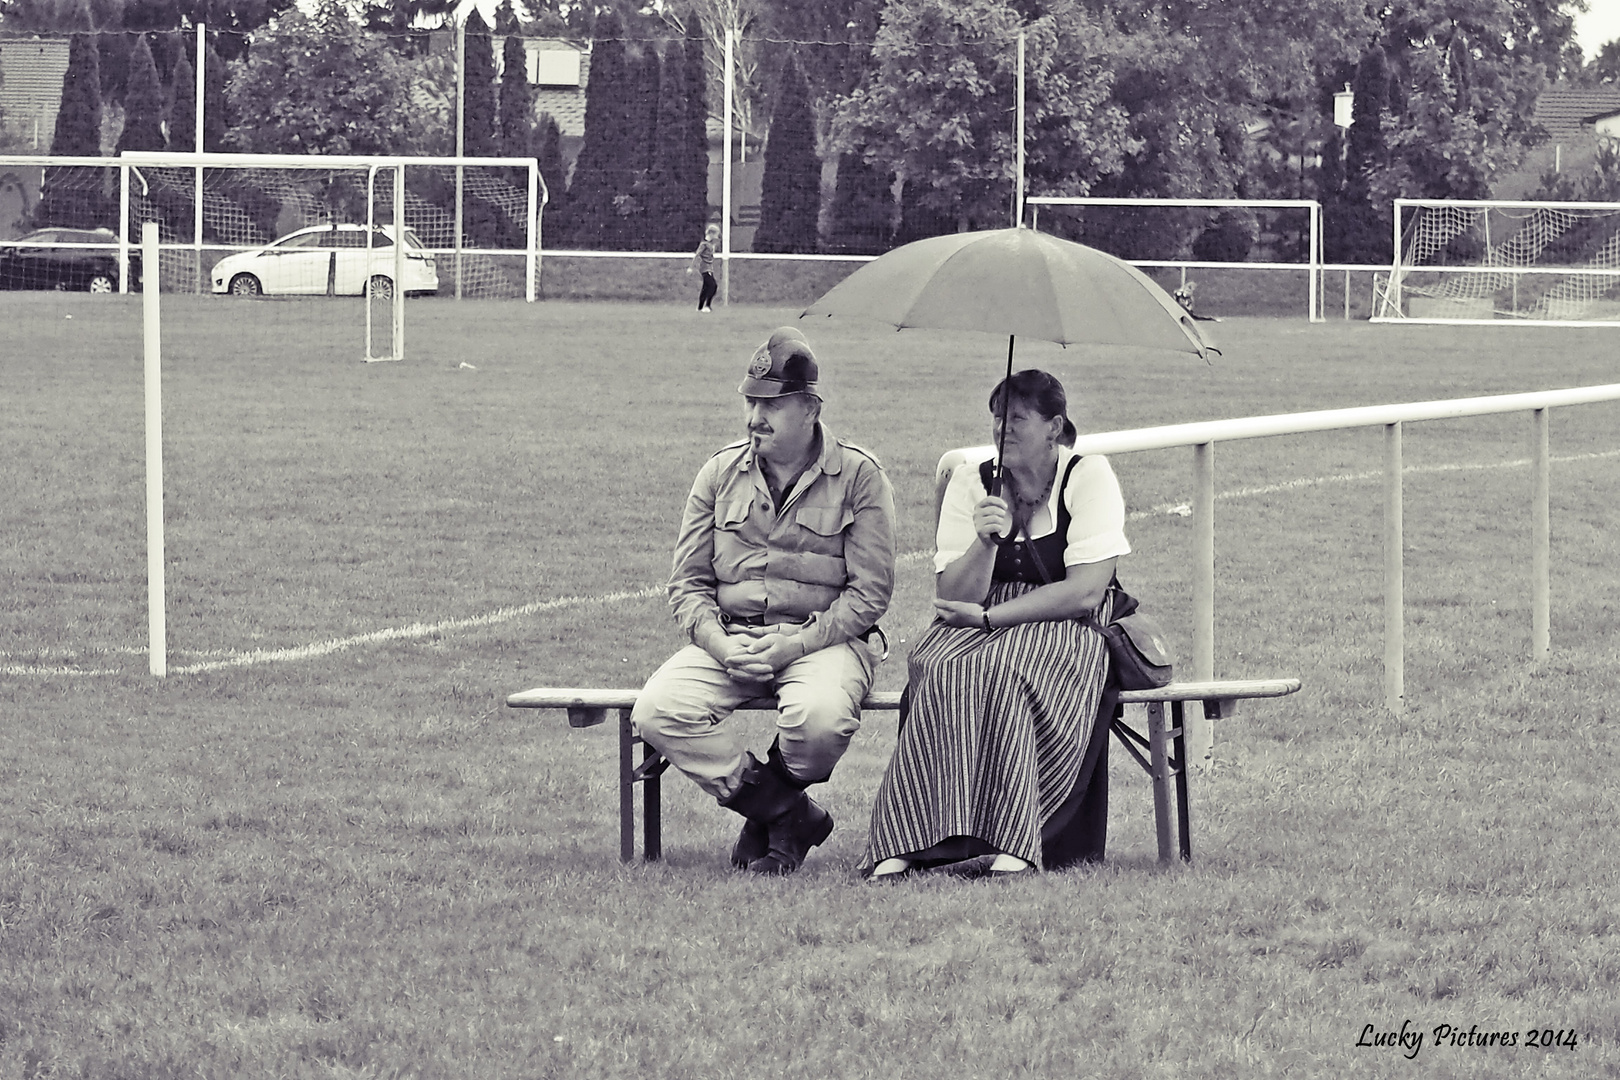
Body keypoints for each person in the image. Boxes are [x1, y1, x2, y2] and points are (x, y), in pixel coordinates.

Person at [632, 327, 897, 875]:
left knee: (819, 720)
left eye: (771, 403)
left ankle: (771, 818)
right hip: (731, 637)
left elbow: (870, 595)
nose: (755, 416)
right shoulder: (719, 472)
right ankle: (786, 812)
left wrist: (792, 646)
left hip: (824, 639)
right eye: (751, 401)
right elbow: (686, 585)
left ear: (810, 408)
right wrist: (721, 646)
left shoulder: (859, 477)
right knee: (658, 711)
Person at [862, 369, 1130, 879]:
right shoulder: (972, 479)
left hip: (1065, 620)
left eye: (1018, 419)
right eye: (997, 418)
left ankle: (1013, 834)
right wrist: (986, 540)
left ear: (1054, 427)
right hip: (979, 610)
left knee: (1006, 669)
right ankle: (915, 835)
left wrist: (991, 619)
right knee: (938, 664)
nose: (1002, 429)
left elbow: (1086, 591)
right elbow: (952, 595)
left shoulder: (1087, 475)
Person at [687, 223, 720, 312]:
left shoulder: (710, 244)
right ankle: (707, 306)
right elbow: (697, 255)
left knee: (705, 287)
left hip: (709, 268)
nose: (717, 237)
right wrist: (691, 267)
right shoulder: (704, 244)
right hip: (705, 268)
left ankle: (700, 307)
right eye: (716, 234)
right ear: (711, 234)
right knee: (713, 286)